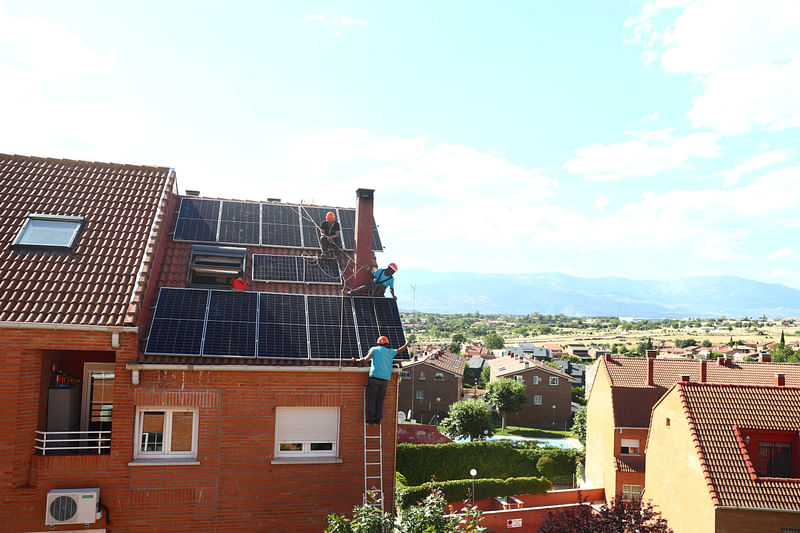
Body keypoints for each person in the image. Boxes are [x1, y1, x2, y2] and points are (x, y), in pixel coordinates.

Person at [355, 336, 409, 424]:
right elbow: (400, 350)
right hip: (384, 381)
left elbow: (365, 360)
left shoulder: (374, 350)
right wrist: (406, 345)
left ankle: (371, 420)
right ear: (387, 343)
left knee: (372, 400)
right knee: (380, 401)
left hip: (374, 378)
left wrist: (356, 360)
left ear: (378, 343)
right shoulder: (390, 352)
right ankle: (378, 420)